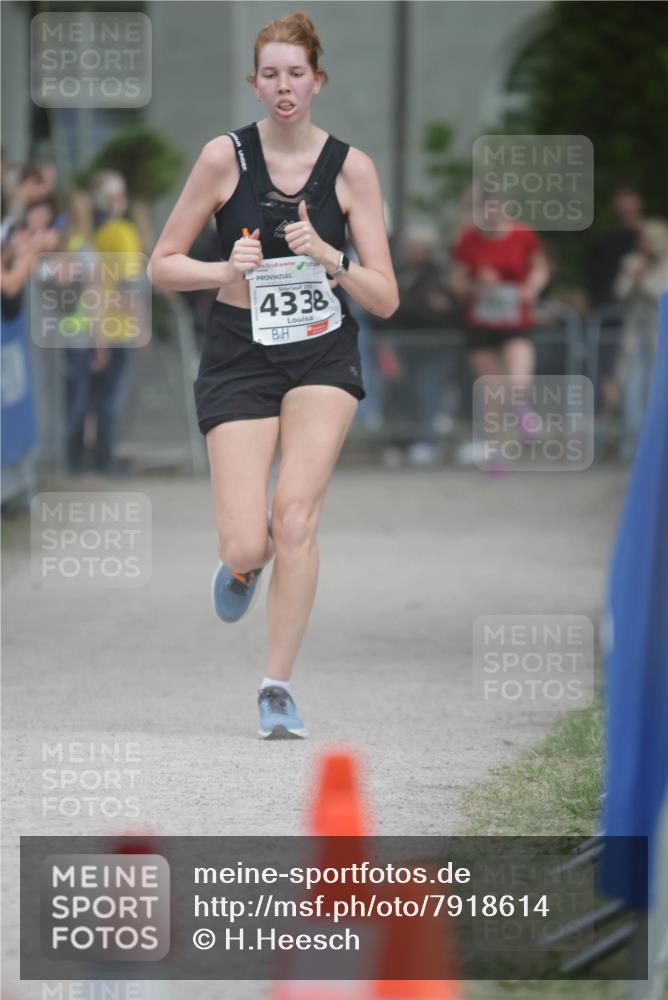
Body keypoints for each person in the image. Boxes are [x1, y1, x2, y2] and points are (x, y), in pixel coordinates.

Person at [148, 11, 398, 739]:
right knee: (246, 542)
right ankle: (240, 566)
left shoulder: (351, 170)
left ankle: (275, 686)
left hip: (322, 350)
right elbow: (162, 264)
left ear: (317, 81)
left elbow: (384, 295)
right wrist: (223, 267)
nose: (283, 86)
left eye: (297, 74)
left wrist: (331, 255)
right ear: (254, 83)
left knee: (294, 516)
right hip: (237, 352)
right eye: (271, 74)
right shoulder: (224, 159)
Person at [450, 196, 549, 463]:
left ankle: (521, 411)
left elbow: (540, 268)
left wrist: (531, 288)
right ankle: (498, 452)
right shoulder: (468, 240)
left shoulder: (523, 235)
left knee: (517, 382)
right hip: (481, 323)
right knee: (492, 391)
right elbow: (457, 283)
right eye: (486, 208)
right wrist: (478, 285)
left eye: (497, 207)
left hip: (515, 321)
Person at [613, 219, 668, 459]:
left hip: (660, 335)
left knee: (657, 389)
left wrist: (644, 279)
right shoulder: (631, 261)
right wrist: (633, 277)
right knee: (631, 387)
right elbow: (619, 292)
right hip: (635, 336)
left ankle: (657, 447)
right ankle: (631, 444)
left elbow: (661, 294)